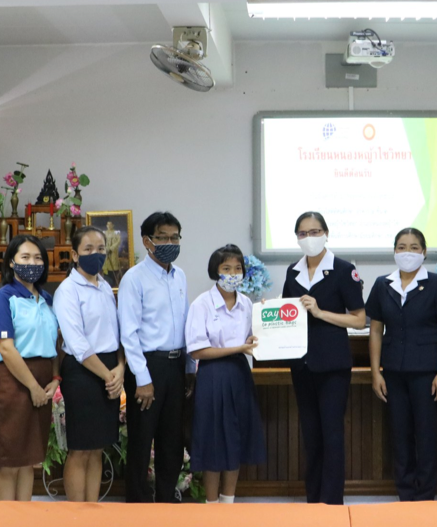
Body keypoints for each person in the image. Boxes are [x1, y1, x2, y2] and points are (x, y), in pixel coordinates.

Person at [283, 211, 366, 505]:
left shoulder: (344, 270)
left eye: (315, 231)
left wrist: (320, 313)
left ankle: (331, 501)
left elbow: (359, 320)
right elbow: (287, 315)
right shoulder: (292, 271)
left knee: (331, 434)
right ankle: (313, 499)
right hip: (301, 364)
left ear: (327, 233)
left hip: (332, 364)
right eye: (303, 233)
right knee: (311, 435)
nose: (309, 238)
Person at [366, 227, 437, 501]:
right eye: (402, 247)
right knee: (400, 435)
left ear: (424, 252)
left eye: (414, 247)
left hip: (427, 372)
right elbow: (375, 331)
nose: (408, 252)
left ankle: (426, 494)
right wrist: (375, 373)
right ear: (394, 251)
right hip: (393, 372)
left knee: (427, 435)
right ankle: (405, 493)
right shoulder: (383, 284)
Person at [117, 212, 194, 503]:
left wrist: (189, 367)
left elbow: (185, 323)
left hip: (175, 366)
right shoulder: (134, 279)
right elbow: (129, 334)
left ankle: (166, 499)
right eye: (164, 237)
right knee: (141, 439)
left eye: (175, 237)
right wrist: (143, 379)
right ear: (147, 241)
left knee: (172, 440)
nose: (170, 243)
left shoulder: (180, 275)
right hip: (147, 366)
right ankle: (137, 504)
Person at [185, 244, 266, 503]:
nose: (233, 273)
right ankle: (212, 507)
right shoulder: (202, 304)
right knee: (213, 441)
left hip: (239, 375)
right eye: (227, 268)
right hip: (212, 376)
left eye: (238, 268)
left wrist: (266, 317)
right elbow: (197, 351)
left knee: (235, 437)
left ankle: (228, 503)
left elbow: (255, 339)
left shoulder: (247, 304)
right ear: (215, 271)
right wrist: (238, 347)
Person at [53, 226, 125, 502]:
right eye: (88, 249)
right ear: (74, 254)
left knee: (98, 448)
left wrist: (119, 369)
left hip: (109, 368)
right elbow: (78, 343)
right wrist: (109, 376)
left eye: (101, 249)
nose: (96, 254)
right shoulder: (68, 291)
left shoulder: (105, 285)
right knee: (80, 448)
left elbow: (116, 333)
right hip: (83, 372)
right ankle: (75, 516)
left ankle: (92, 510)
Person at [0, 235, 60, 501]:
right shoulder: (3, 298)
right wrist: (33, 387)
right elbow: (6, 348)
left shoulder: (47, 298)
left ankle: (23, 517)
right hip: (15, 380)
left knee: (30, 458)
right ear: (11, 262)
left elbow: (53, 341)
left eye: (38, 258)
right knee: (10, 460)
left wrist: (55, 376)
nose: (33, 263)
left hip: (43, 380)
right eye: (25, 257)